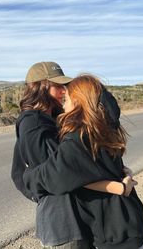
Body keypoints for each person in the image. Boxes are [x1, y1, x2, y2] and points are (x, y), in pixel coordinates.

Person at [11, 62, 136, 249]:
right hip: (64, 220)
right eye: (57, 86)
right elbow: (64, 172)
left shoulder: (57, 117)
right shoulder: (33, 122)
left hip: (80, 215)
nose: (63, 90)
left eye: (64, 86)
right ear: (40, 87)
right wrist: (118, 186)